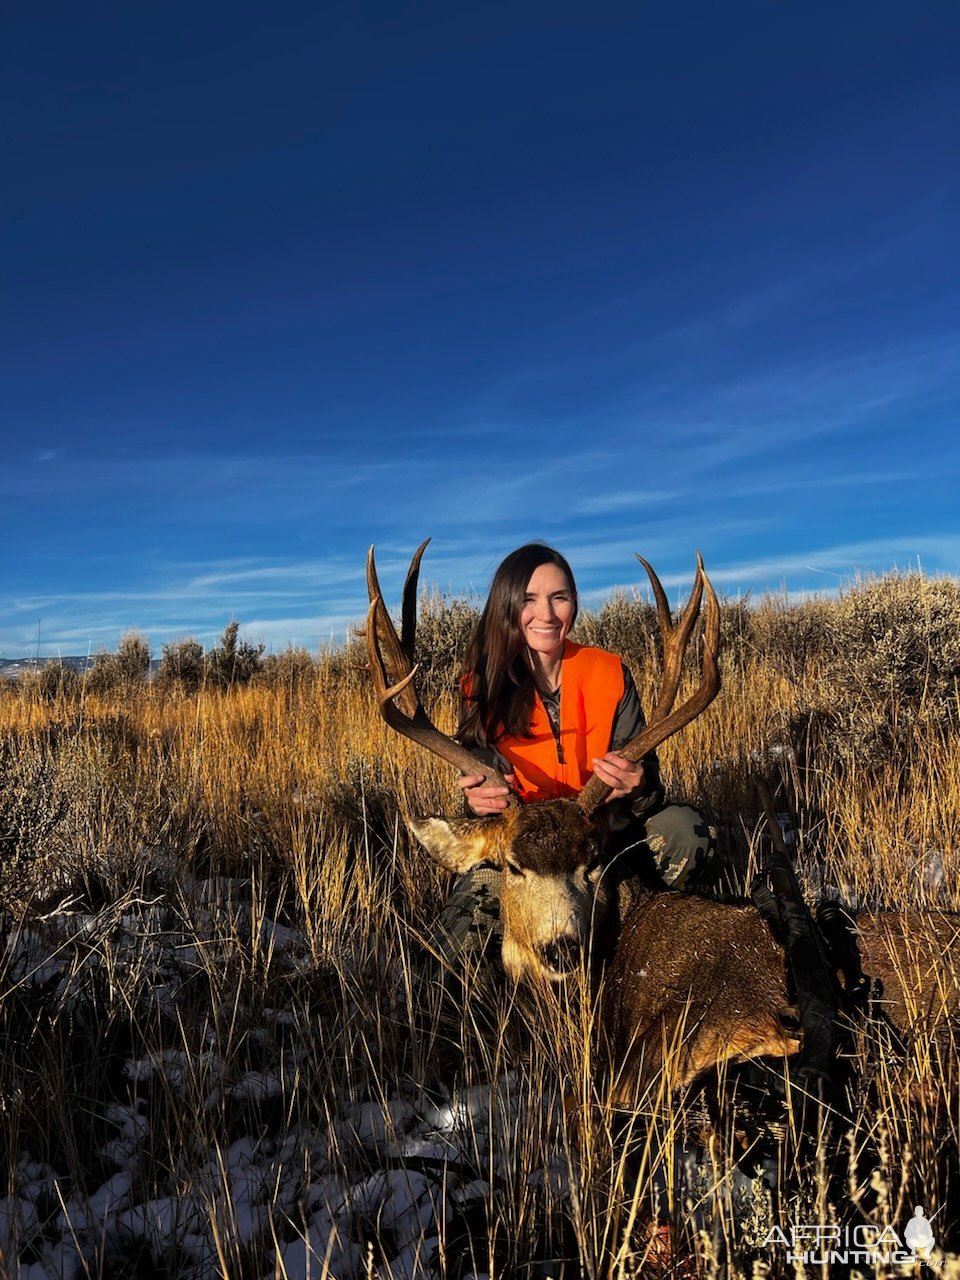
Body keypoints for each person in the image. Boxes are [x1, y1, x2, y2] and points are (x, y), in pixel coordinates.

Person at [434, 542, 716, 967]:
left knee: (685, 830)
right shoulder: (482, 689)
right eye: (529, 600)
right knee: (461, 951)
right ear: (506, 606)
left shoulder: (609, 673)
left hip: (600, 843)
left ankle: (634, 940)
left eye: (559, 598)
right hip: (526, 857)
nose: (546, 614)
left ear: (574, 604)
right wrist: (478, 802)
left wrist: (638, 784)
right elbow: (483, 784)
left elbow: (648, 791)